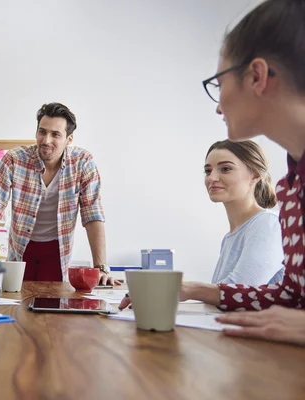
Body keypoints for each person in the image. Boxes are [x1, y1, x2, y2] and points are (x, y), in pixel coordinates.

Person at [122, 0, 305, 346]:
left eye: (218, 83)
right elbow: (290, 299)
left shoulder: (273, 213)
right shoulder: (292, 187)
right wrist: (191, 288)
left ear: (257, 76)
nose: (218, 105)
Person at [0, 102, 118, 285]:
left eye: (55, 134)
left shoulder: (83, 162)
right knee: (17, 305)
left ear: (69, 139)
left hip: (57, 251)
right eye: (42, 132)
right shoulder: (15, 159)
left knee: (54, 306)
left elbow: (92, 214)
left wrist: (101, 268)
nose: (46, 140)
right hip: (21, 250)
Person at [205, 139, 284, 285]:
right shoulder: (229, 238)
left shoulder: (267, 224)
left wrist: (188, 289)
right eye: (208, 171)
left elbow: (240, 289)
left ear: (254, 174)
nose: (212, 178)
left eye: (225, 169)